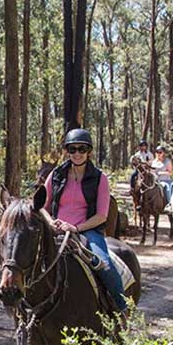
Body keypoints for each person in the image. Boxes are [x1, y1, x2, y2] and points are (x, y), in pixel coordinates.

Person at [43, 129, 128, 315]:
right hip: (57, 229)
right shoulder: (56, 175)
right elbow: (41, 205)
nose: (77, 153)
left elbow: (101, 216)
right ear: (67, 151)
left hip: (87, 231)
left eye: (82, 149)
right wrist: (50, 222)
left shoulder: (100, 179)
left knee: (104, 264)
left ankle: (122, 309)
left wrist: (75, 227)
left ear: (89, 151)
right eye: (72, 149)